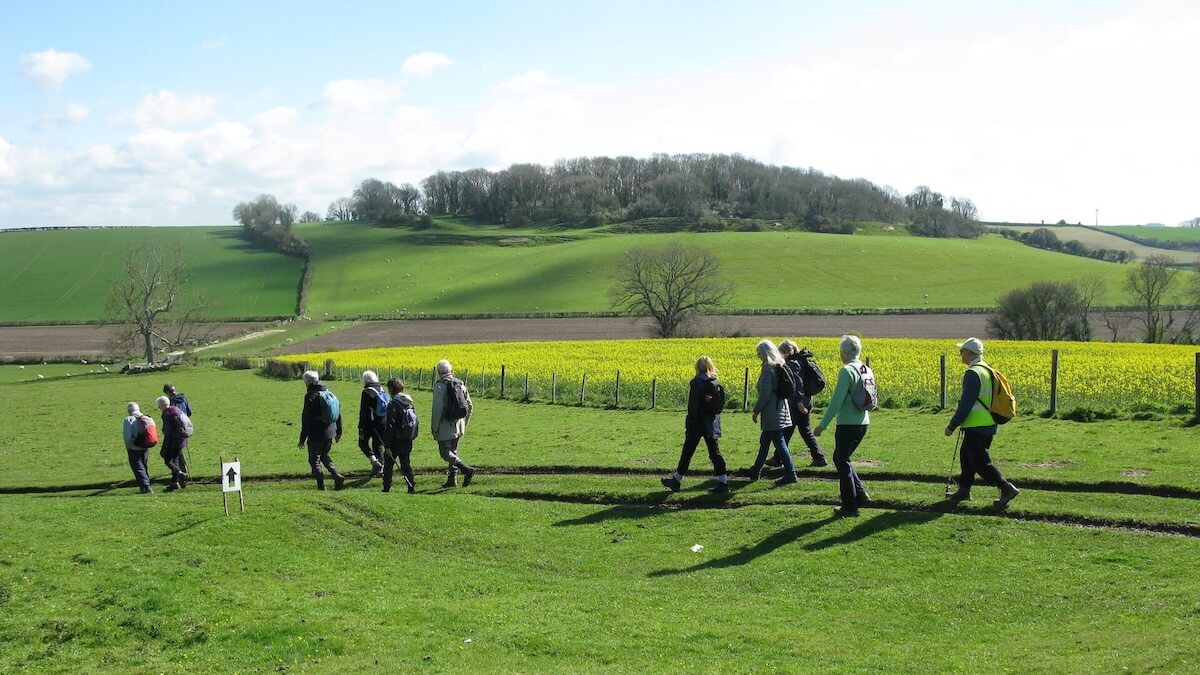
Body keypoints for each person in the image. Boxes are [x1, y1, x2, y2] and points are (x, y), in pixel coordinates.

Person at [945, 337, 1021, 507]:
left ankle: (1006, 488)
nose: (960, 355)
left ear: (970, 353)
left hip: (976, 425)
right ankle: (964, 490)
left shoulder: (973, 374)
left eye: (962, 351)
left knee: (980, 462)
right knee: (966, 457)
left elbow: (966, 404)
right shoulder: (986, 369)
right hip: (988, 423)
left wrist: (952, 425)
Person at [814, 335, 871, 516]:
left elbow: (836, 402)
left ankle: (849, 506)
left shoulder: (846, 371)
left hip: (847, 423)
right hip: (863, 421)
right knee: (841, 458)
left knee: (842, 461)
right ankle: (860, 495)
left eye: (840, 351)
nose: (840, 354)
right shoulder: (865, 369)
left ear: (846, 352)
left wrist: (822, 425)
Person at [660, 356, 730, 494]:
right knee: (714, 453)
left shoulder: (697, 382)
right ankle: (723, 482)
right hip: (711, 422)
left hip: (697, 423)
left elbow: (692, 407)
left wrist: (690, 422)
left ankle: (676, 480)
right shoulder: (716, 382)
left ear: (697, 368)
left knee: (687, 452)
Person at [736, 339, 798, 487]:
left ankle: (791, 474)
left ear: (764, 353)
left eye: (759, 354)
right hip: (781, 409)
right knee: (765, 442)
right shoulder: (780, 364)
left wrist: (756, 411)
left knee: (780, 444)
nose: (758, 356)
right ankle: (756, 470)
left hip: (772, 412)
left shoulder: (768, 368)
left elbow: (765, 394)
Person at [772, 340, 829, 468]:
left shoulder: (792, 363)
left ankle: (778, 458)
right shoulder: (802, 360)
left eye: (781, 353)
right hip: (807, 400)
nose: (779, 356)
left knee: (787, 430)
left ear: (786, 352)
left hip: (798, 403)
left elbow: (797, 384)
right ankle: (818, 457)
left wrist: (798, 403)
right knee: (803, 431)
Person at [430, 359, 476, 488]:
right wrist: (464, 424)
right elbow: (470, 406)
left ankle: (466, 470)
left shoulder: (439, 386)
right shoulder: (460, 384)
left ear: (439, 372)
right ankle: (452, 480)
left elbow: (437, 409)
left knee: (445, 453)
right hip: (459, 424)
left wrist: (435, 428)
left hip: (445, 425)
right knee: (453, 452)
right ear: (451, 370)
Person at [297, 370, 346, 491]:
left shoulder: (310, 396)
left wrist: (302, 439)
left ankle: (321, 485)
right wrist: (339, 431)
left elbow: (306, 420)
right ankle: (336, 474)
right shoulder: (329, 393)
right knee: (324, 455)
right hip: (330, 432)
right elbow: (338, 414)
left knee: (314, 460)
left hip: (316, 434)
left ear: (307, 383)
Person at [382, 378, 417, 494]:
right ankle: (411, 486)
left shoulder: (393, 404)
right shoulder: (410, 403)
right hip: (407, 439)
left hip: (395, 441)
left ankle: (386, 488)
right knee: (406, 464)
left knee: (388, 465)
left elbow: (390, 426)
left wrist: (387, 445)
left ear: (391, 389)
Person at [357, 370, 387, 477]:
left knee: (362, 443)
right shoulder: (381, 389)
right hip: (383, 422)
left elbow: (363, 412)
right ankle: (381, 469)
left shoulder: (366, 392)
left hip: (371, 423)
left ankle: (375, 462)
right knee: (378, 445)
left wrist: (361, 427)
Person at [156, 396, 188, 492]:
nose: (159, 408)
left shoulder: (166, 413)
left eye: (159, 406)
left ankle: (180, 474)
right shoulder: (176, 409)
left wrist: (165, 446)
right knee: (175, 460)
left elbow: (168, 432)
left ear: (162, 405)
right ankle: (176, 483)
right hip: (181, 440)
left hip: (173, 441)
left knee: (168, 460)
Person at [122, 402, 154, 494]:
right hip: (145, 446)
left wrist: (128, 447)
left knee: (138, 467)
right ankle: (147, 484)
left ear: (129, 410)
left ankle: (145, 487)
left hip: (134, 448)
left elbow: (127, 437)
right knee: (143, 466)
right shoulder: (147, 418)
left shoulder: (129, 419)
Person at [162, 382, 192, 477]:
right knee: (179, 451)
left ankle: (180, 473)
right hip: (185, 428)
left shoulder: (170, 402)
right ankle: (179, 473)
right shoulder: (183, 398)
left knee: (176, 453)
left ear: (167, 392)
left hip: (175, 431)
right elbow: (189, 412)